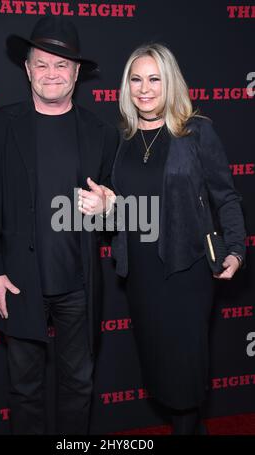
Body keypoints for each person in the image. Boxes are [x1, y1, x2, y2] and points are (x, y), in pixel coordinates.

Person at [78, 43, 246, 434]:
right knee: (159, 371)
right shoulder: (122, 140)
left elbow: (227, 195)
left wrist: (236, 248)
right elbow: (131, 212)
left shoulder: (196, 131)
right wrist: (107, 207)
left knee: (185, 374)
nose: (144, 88)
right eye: (136, 79)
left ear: (170, 83)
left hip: (186, 271)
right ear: (126, 86)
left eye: (154, 78)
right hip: (141, 276)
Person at [0, 16, 118, 435]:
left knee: (79, 384)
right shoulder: (0, 125)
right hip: (19, 279)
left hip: (78, 282)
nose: (50, 73)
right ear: (27, 69)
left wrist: (110, 207)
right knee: (25, 387)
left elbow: (117, 211)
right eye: (42, 64)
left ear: (76, 74)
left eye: (61, 66)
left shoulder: (100, 132)